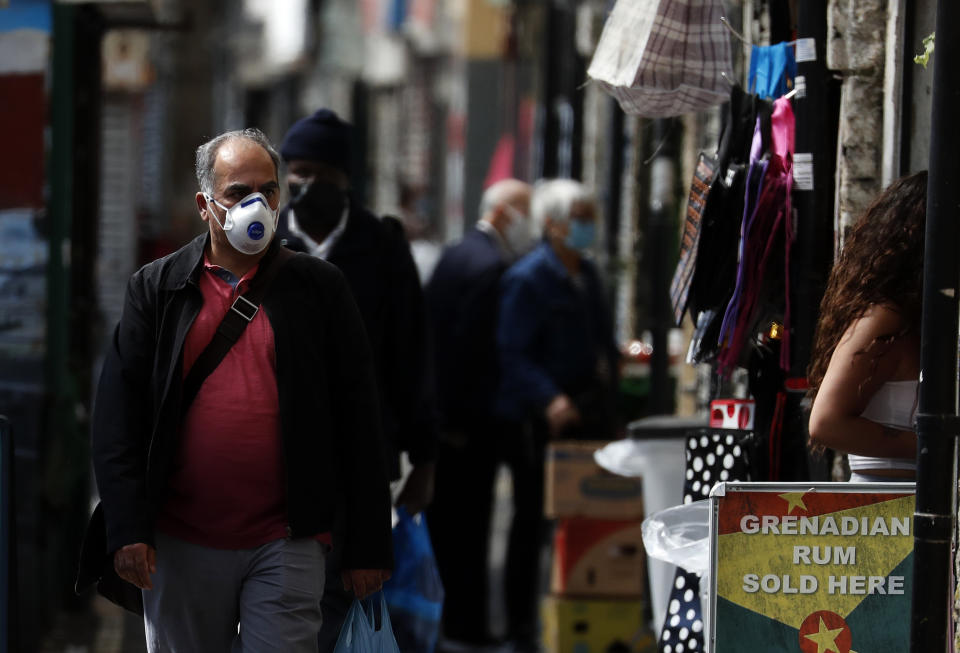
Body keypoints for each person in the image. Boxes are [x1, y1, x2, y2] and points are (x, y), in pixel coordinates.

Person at [77, 128, 393, 652]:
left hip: (286, 540)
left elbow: (359, 418)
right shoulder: (158, 290)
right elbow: (118, 418)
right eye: (237, 192)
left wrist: (369, 545)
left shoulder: (318, 289)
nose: (257, 204)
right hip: (181, 543)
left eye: (268, 190)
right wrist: (128, 529)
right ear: (206, 205)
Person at [277, 108, 439, 649]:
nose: (309, 185)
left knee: (348, 590)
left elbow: (412, 357)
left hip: (362, 463)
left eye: (323, 174)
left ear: (347, 180)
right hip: (273, 459)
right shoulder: (260, 245)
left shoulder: (382, 249)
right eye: (297, 171)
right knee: (280, 593)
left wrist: (426, 460)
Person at [495, 179, 620, 650]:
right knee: (531, 525)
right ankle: (520, 628)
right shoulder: (528, 279)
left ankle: (574, 615)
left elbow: (602, 343)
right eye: (581, 218)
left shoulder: (587, 275)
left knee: (585, 521)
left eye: (592, 217)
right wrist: (549, 398)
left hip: (588, 418)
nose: (589, 228)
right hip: (541, 422)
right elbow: (511, 354)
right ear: (553, 224)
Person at [424, 178, 534, 649]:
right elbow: (476, 354)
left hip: (445, 423)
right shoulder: (490, 266)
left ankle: (451, 623)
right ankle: (467, 627)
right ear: (506, 213)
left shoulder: (457, 253)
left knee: (450, 530)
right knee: (468, 530)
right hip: (469, 427)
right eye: (526, 213)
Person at [807, 171, 927, 482]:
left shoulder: (921, 315)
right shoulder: (885, 318)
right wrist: (932, 445)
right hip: (886, 512)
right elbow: (825, 423)